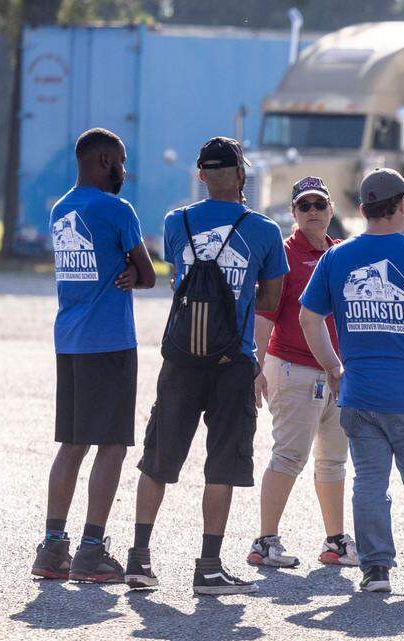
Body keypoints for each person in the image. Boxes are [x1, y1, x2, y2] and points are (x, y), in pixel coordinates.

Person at [248, 176, 404, 569]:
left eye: (319, 205)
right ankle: (265, 540)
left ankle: (336, 542)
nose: (313, 212)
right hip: (295, 368)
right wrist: (255, 366)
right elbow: (264, 314)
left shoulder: (337, 252)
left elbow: (395, 252)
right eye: (304, 206)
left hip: (341, 377)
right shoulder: (284, 255)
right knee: (290, 455)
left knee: (334, 462)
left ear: (335, 209)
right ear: (293, 213)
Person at [124, 137, 288, 596]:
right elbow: (272, 299)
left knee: (158, 458)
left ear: (200, 176)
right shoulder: (264, 230)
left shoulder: (176, 222)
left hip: (180, 358)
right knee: (222, 464)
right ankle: (209, 566)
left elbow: (178, 278)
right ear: (241, 176)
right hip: (232, 360)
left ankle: (139, 559)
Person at [298, 168, 404, 594]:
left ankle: (375, 570)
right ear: (403, 207)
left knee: (369, 484)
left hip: (359, 394)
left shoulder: (336, 258)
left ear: (362, 210)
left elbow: (309, 316)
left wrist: (334, 366)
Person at [31, 128, 156, 583]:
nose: (125, 169)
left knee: (72, 444)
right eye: (121, 160)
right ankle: (90, 549)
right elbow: (147, 274)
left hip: (69, 338)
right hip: (109, 340)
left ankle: (52, 547)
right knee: (113, 445)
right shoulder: (117, 209)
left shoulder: (62, 208)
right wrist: (128, 269)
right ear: (104, 160)